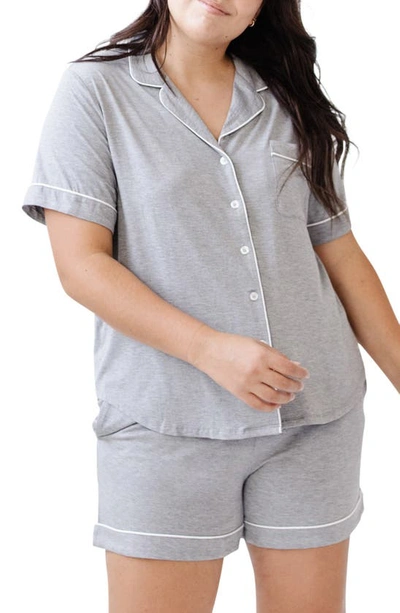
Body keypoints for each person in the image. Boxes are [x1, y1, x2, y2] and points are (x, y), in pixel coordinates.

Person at [22, 0, 400, 611]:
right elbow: (81, 265)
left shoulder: (287, 97)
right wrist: (209, 350)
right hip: (166, 422)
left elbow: (340, 254)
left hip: (315, 417)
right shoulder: (95, 90)